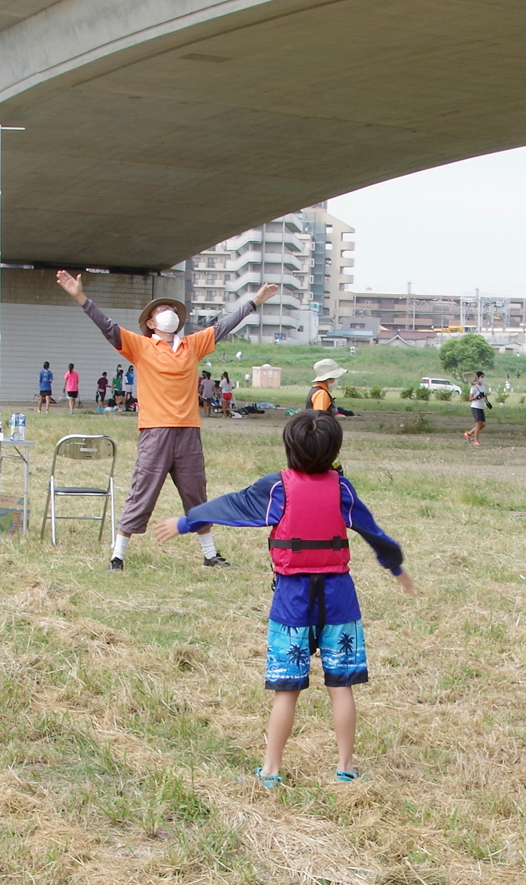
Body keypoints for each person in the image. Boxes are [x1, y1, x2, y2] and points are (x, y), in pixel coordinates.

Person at [156, 410, 411, 784]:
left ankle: (271, 771)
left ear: (290, 448)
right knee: (341, 688)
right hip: (340, 599)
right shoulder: (342, 489)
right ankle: (346, 769)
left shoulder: (277, 487)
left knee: (286, 691)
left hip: (292, 601)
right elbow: (374, 532)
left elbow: (233, 505)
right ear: (334, 450)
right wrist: (396, 567)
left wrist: (185, 522)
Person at [56, 269, 279, 570]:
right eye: (162, 310)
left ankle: (210, 555)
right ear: (150, 323)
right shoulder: (141, 346)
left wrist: (255, 301)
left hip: (188, 431)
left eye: (172, 309)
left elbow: (225, 325)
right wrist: (81, 298)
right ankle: (118, 555)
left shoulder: (193, 345)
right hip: (155, 430)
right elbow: (107, 327)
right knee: (142, 492)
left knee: (196, 493)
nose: (169, 313)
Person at [462, 371, 492, 444]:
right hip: (475, 407)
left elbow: (484, 396)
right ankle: (476, 441)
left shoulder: (484, 387)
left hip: (481, 407)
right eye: (481, 377)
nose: (483, 379)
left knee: (483, 424)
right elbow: (470, 398)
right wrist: (477, 397)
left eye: (483, 377)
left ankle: (468, 433)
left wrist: (487, 402)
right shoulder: (474, 388)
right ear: (477, 378)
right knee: (478, 424)